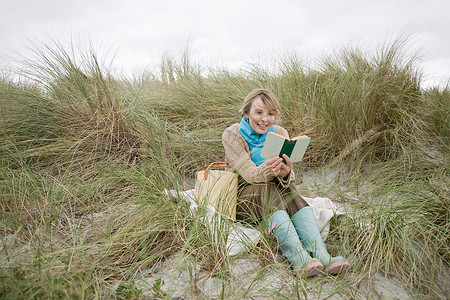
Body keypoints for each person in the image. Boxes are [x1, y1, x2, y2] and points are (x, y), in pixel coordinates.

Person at [222, 88, 349, 277]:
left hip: (273, 192)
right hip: (244, 197)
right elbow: (249, 174)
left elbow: (289, 176)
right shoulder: (233, 134)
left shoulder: (280, 132)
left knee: (289, 188)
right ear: (246, 112)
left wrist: (286, 171)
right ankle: (298, 258)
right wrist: (270, 169)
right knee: (267, 188)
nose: (265, 119)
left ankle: (322, 255)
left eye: (270, 114)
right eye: (259, 112)